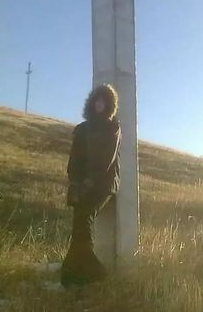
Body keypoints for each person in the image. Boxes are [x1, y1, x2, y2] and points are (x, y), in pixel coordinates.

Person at [61, 83, 122, 288]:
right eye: (97, 99)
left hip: (104, 183)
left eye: (104, 101)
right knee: (79, 222)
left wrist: (90, 181)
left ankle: (94, 271)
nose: (99, 104)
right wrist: (76, 182)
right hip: (82, 184)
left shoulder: (112, 127)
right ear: (91, 102)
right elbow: (75, 159)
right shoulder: (82, 129)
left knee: (84, 216)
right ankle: (72, 275)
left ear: (109, 104)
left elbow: (107, 159)